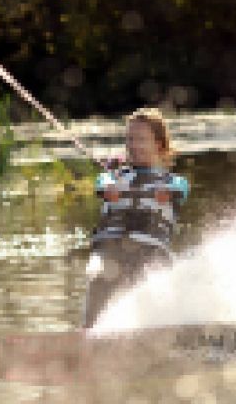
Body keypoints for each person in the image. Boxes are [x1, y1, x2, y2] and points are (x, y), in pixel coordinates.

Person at [82, 107, 189, 328]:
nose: (133, 145)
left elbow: (180, 189)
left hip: (151, 250)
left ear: (158, 144)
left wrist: (167, 193)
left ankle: (158, 328)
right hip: (111, 248)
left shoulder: (173, 181)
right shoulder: (111, 177)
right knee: (98, 276)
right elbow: (102, 185)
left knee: (151, 283)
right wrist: (109, 189)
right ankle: (90, 332)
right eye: (130, 139)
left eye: (141, 139)